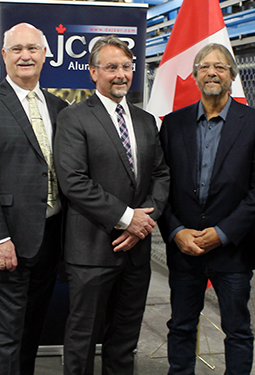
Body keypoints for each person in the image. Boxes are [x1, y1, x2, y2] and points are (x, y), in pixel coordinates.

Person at [54, 35, 170, 374]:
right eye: (111, 67)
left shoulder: (146, 121)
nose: (120, 74)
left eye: (126, 67)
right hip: (91, 250)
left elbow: (161, 175)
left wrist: (144, 221)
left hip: (136, 251)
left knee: (125, 337)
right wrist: (126, 218)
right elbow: (73, 180)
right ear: (93, 72)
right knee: (83, 337)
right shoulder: (74, 118)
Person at [158, 43, 255, 375]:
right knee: (180, 326)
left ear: (232, 76)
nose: (212, 72)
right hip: (185, 248)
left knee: (237, 330)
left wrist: (222, 234)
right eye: (205, 66)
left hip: (233, 249)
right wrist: (176, 231)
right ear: (194, 76)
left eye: (220, 67)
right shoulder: (173, 124)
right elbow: (160, 185)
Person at [0, 23, 68, 375]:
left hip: (50, 237)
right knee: (3, 335)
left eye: (33, 49)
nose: (26, 55)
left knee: (30, 330)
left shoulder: (60, 108)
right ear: (4, 56)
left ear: (44, 55)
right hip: (5, 240)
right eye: (17, 49)